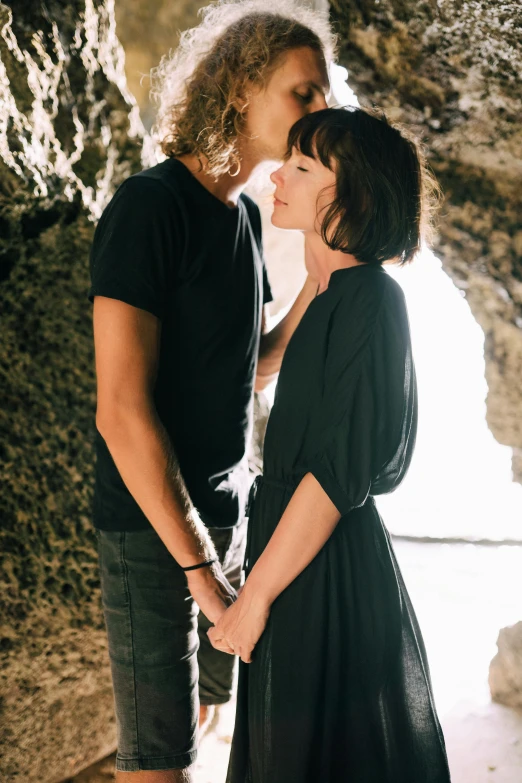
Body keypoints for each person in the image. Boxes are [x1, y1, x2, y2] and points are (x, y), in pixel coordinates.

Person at [88, 2, 335, 780]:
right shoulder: (149, 208)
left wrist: (320, 283)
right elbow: (121, 411)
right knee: (158, 763)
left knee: (200, 734)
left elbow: (248, 363)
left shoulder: (247, 221)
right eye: (304, 93)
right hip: (155, 532)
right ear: (240, 86)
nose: (321, 111)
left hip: (231, 520)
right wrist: (199, 570)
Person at [208, 107, 452, 783]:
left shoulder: (373, 297)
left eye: (304, 166)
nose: (278, 175)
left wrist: (251, 600)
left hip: (322, 569)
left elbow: (337, 473)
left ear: (354, 195)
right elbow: (257, 366)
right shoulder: (332, 291)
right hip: (291, 557)